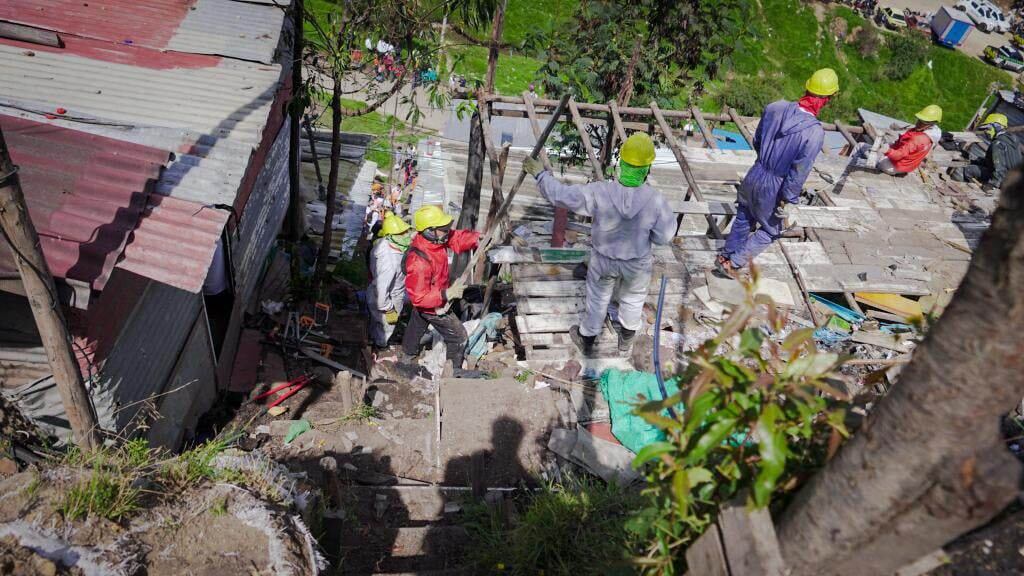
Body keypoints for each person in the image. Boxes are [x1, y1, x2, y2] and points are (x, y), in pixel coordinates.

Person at [523, 133, 676, 356]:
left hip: (604, 259)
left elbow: (560, 195)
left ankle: (586, 339)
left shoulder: (599, 191)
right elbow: (664, 237)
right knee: (633, 300)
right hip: (637, 262)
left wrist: (539, 174)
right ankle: (625, 343)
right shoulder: (656, 200)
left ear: (620, 163)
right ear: (647, 168)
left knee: (597, 298)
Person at [717, 68, 838, 276]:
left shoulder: (776, 108)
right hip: (774, 185)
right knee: (771, 230)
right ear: (827, 99)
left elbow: (757, 140)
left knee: (745, 216)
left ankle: (725, 254)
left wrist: (765, 161)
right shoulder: (814, 133)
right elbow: (798, 172)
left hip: (756, 171)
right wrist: (788, 199)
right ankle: (734, 263)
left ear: (807, 88)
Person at [401, 205, 483, 378]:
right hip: (432, 302)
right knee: (459, 336)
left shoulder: (435, 240)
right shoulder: (419, 262)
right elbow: (419, 298)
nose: (448, 231)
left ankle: (407, 355)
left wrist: (477, 239)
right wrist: (446, 294)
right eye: (443, 229)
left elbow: (457, 238)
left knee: (418, 320)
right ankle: (453, 373)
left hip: (434, 294)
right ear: (430, 231)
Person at [368, 214, 412, 349]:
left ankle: (373, 339)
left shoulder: (384, 243)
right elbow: (382, 290)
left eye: (405, 231)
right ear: (392, 235)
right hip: (388, 299)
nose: (406, 235)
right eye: (402, 233)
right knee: (384, 330)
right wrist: (388, 309)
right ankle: (380, 348)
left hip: (381, 292)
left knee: (375, 324)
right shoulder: (389, 261)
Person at [950, 113, 1022, 190]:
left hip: (1004, 181)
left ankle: (969, 190)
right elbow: (994, 162)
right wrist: (973, 161)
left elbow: (999, 168)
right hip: (1014, 180)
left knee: (969, 169)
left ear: (996, 127)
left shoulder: (997, 144)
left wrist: (992, 185)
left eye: (987, 129)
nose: (986, 133)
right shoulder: (1012, 140)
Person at [876, 105, 943, 175]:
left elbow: (899, 155)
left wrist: (887, 151)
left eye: (924, 122)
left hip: (896, 166)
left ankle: (884, 164)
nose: (918, 124)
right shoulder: (933, 134)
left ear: (932, 123)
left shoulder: (918, 139)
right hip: (908, 165)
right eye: (919, 120)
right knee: (882, 148)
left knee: (873, 156)